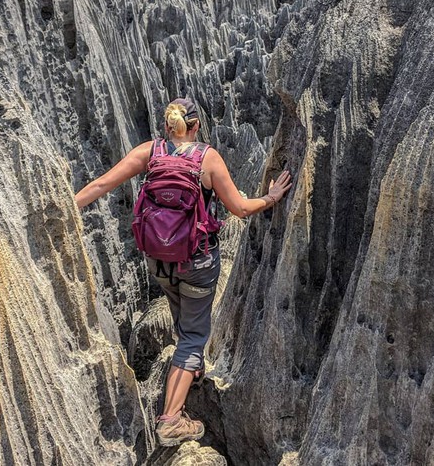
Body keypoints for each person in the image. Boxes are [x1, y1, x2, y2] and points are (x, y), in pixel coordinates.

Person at [75, 98, 292, 447]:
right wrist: (271, 198)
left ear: (168, 125)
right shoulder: (207, 159)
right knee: (194, 336)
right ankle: (171, 419)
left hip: (158, 260)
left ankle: (189, 365)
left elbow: (102, 185)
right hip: (197, 261)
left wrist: (66, 205)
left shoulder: (151, 151)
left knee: (181, 307)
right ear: (196, 126)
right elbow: (239, 208)